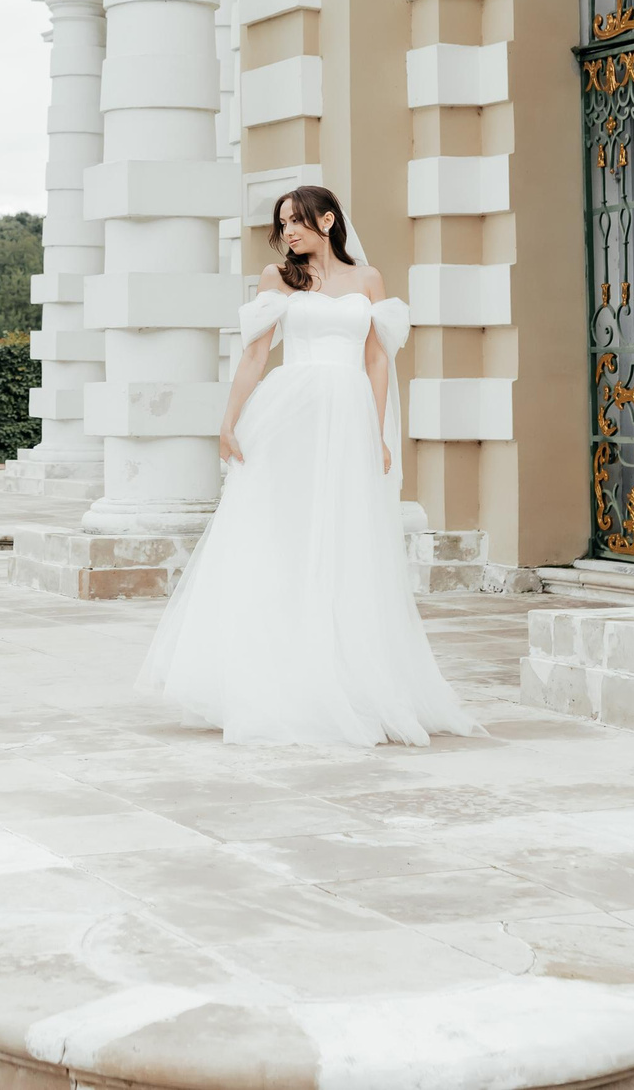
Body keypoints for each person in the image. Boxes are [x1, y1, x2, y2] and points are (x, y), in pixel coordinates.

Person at [136, 185, 480, 747]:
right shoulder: (278, 280)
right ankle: (273, 678)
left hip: (346, 419)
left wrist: (377, 431)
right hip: (289, 415)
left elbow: (376, 360)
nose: (288, 232)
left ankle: (347, 675)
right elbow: (255, 354)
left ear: (328, 219)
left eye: (297, 221)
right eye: (282, 224)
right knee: (283, 537)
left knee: (346, 541)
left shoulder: (368, 281)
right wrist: (228, 422)